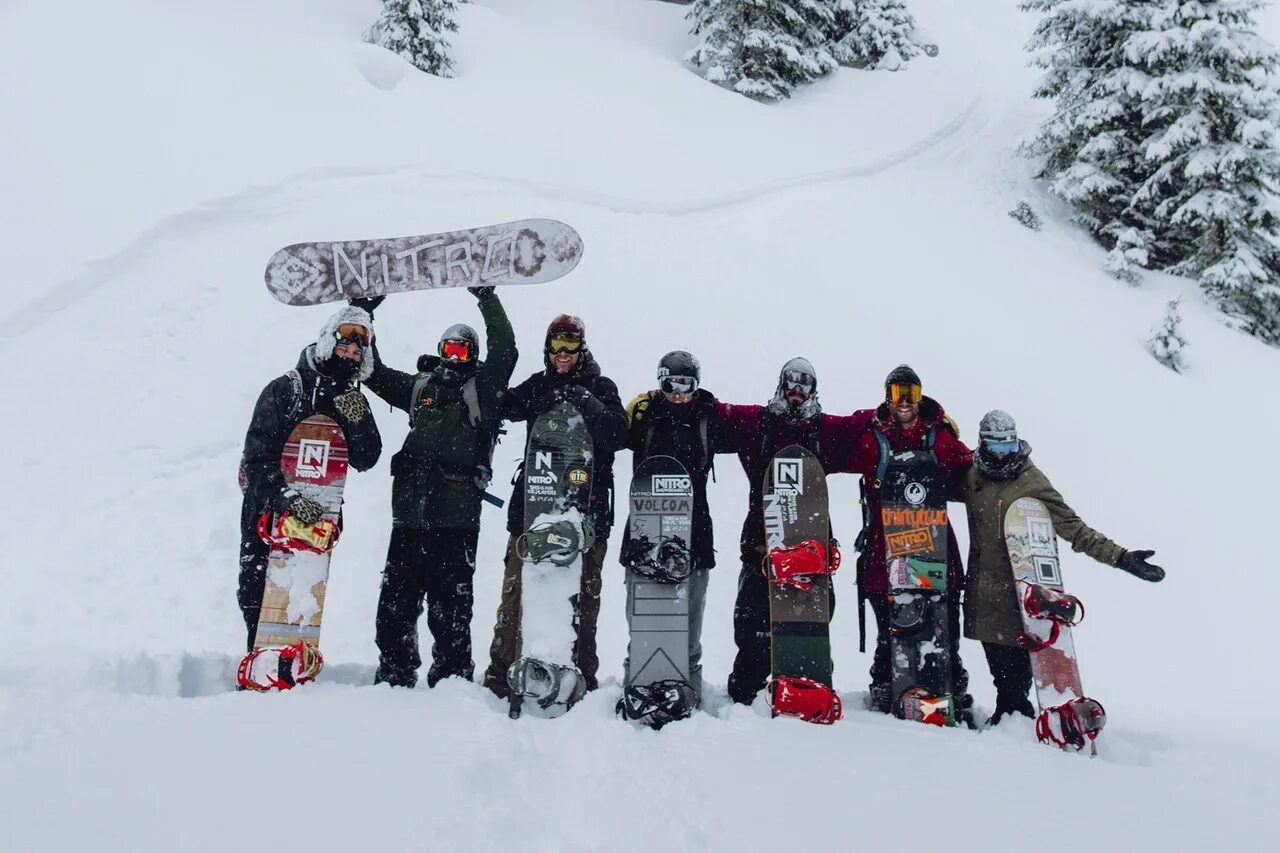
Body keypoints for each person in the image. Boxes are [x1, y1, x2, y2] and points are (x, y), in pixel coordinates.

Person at [955, 409, 1165, 725]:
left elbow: (1073, 527)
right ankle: (1008, 716)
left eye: (1008, 447)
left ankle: (1015, 719)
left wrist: (1120, 557)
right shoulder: (972, 476)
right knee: (998, 666)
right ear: (983, 444)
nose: (1002, 456)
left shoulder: (1031, 481)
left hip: (1020, 593)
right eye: (996, 448)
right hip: (983, 592)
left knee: (1017, 671)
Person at [361, 286, 518, 688]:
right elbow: (372, 372)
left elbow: (506, 349)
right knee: (395, 604)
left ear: (473, 356)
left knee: (451, 607)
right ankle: (395, 671)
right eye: (449, 348)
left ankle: (451, 679)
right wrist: (364, 316)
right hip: (410, 515)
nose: (454, 357)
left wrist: (487, 298)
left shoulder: (483, 390)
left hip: (457, 518)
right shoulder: (420, 388)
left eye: (463, 351)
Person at [481, 314, 628, 698]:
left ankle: (581, 676)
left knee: (583, 596)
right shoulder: (538, 385)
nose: (563, 354)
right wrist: (472, 374)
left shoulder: (601, 386)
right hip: (534, 509)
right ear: (547, 349)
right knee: (516, 592)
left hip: (587, 511)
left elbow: (619, 433)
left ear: (582, 348)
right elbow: (497, 404)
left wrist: (586, 402)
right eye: (556, 346)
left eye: (571, 346)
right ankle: (501, 675)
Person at [716, 357, 872, 705]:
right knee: (752, 626)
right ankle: (747, 695)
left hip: (810, 552)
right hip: (761, 546)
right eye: (791, 383)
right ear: (781, 385)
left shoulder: (824, 430)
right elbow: (716, 411)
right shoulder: (757, 423)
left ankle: (808, 684)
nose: (797, 391)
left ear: (813, 390)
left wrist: (925, 415)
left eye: (804, 385)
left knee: (810, 627)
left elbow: (864, 423)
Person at [237, 305, 383, 651]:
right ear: (326, 342)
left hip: (320, 515)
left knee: (302, 596)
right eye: (342, 347)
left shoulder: (351, 397)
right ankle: (260, 665)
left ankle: (297, 669)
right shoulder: (287, 389)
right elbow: (257, 459)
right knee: (260, 592)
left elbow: (366, 458)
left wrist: (357, 418)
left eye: (355, 351)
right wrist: (286, 499)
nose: (348, 355)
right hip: (268, 512)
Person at [844, 364, 974, 721]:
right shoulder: (872, 437)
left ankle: (951, 686)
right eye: (898, 393)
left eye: (911, 394)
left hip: (934, 546)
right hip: (882, 550)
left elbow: (970, 470)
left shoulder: (939, 437)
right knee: (892, 627)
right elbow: (837, 450)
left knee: (942, 624)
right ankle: (887, 684)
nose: (904, 402)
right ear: (887, 396)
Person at [623, 350, 733, 706]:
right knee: (644, 616)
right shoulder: (645, 416)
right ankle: (638, 676)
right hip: (645, 527)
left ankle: (688, 688)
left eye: (686, 385)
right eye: (671, 384)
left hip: (695, 530)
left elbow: (753, 425)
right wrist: (623, 410)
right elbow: (609, 433)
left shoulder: (708, 418)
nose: (678, 393)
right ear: (661, 382)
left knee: (689, 618)